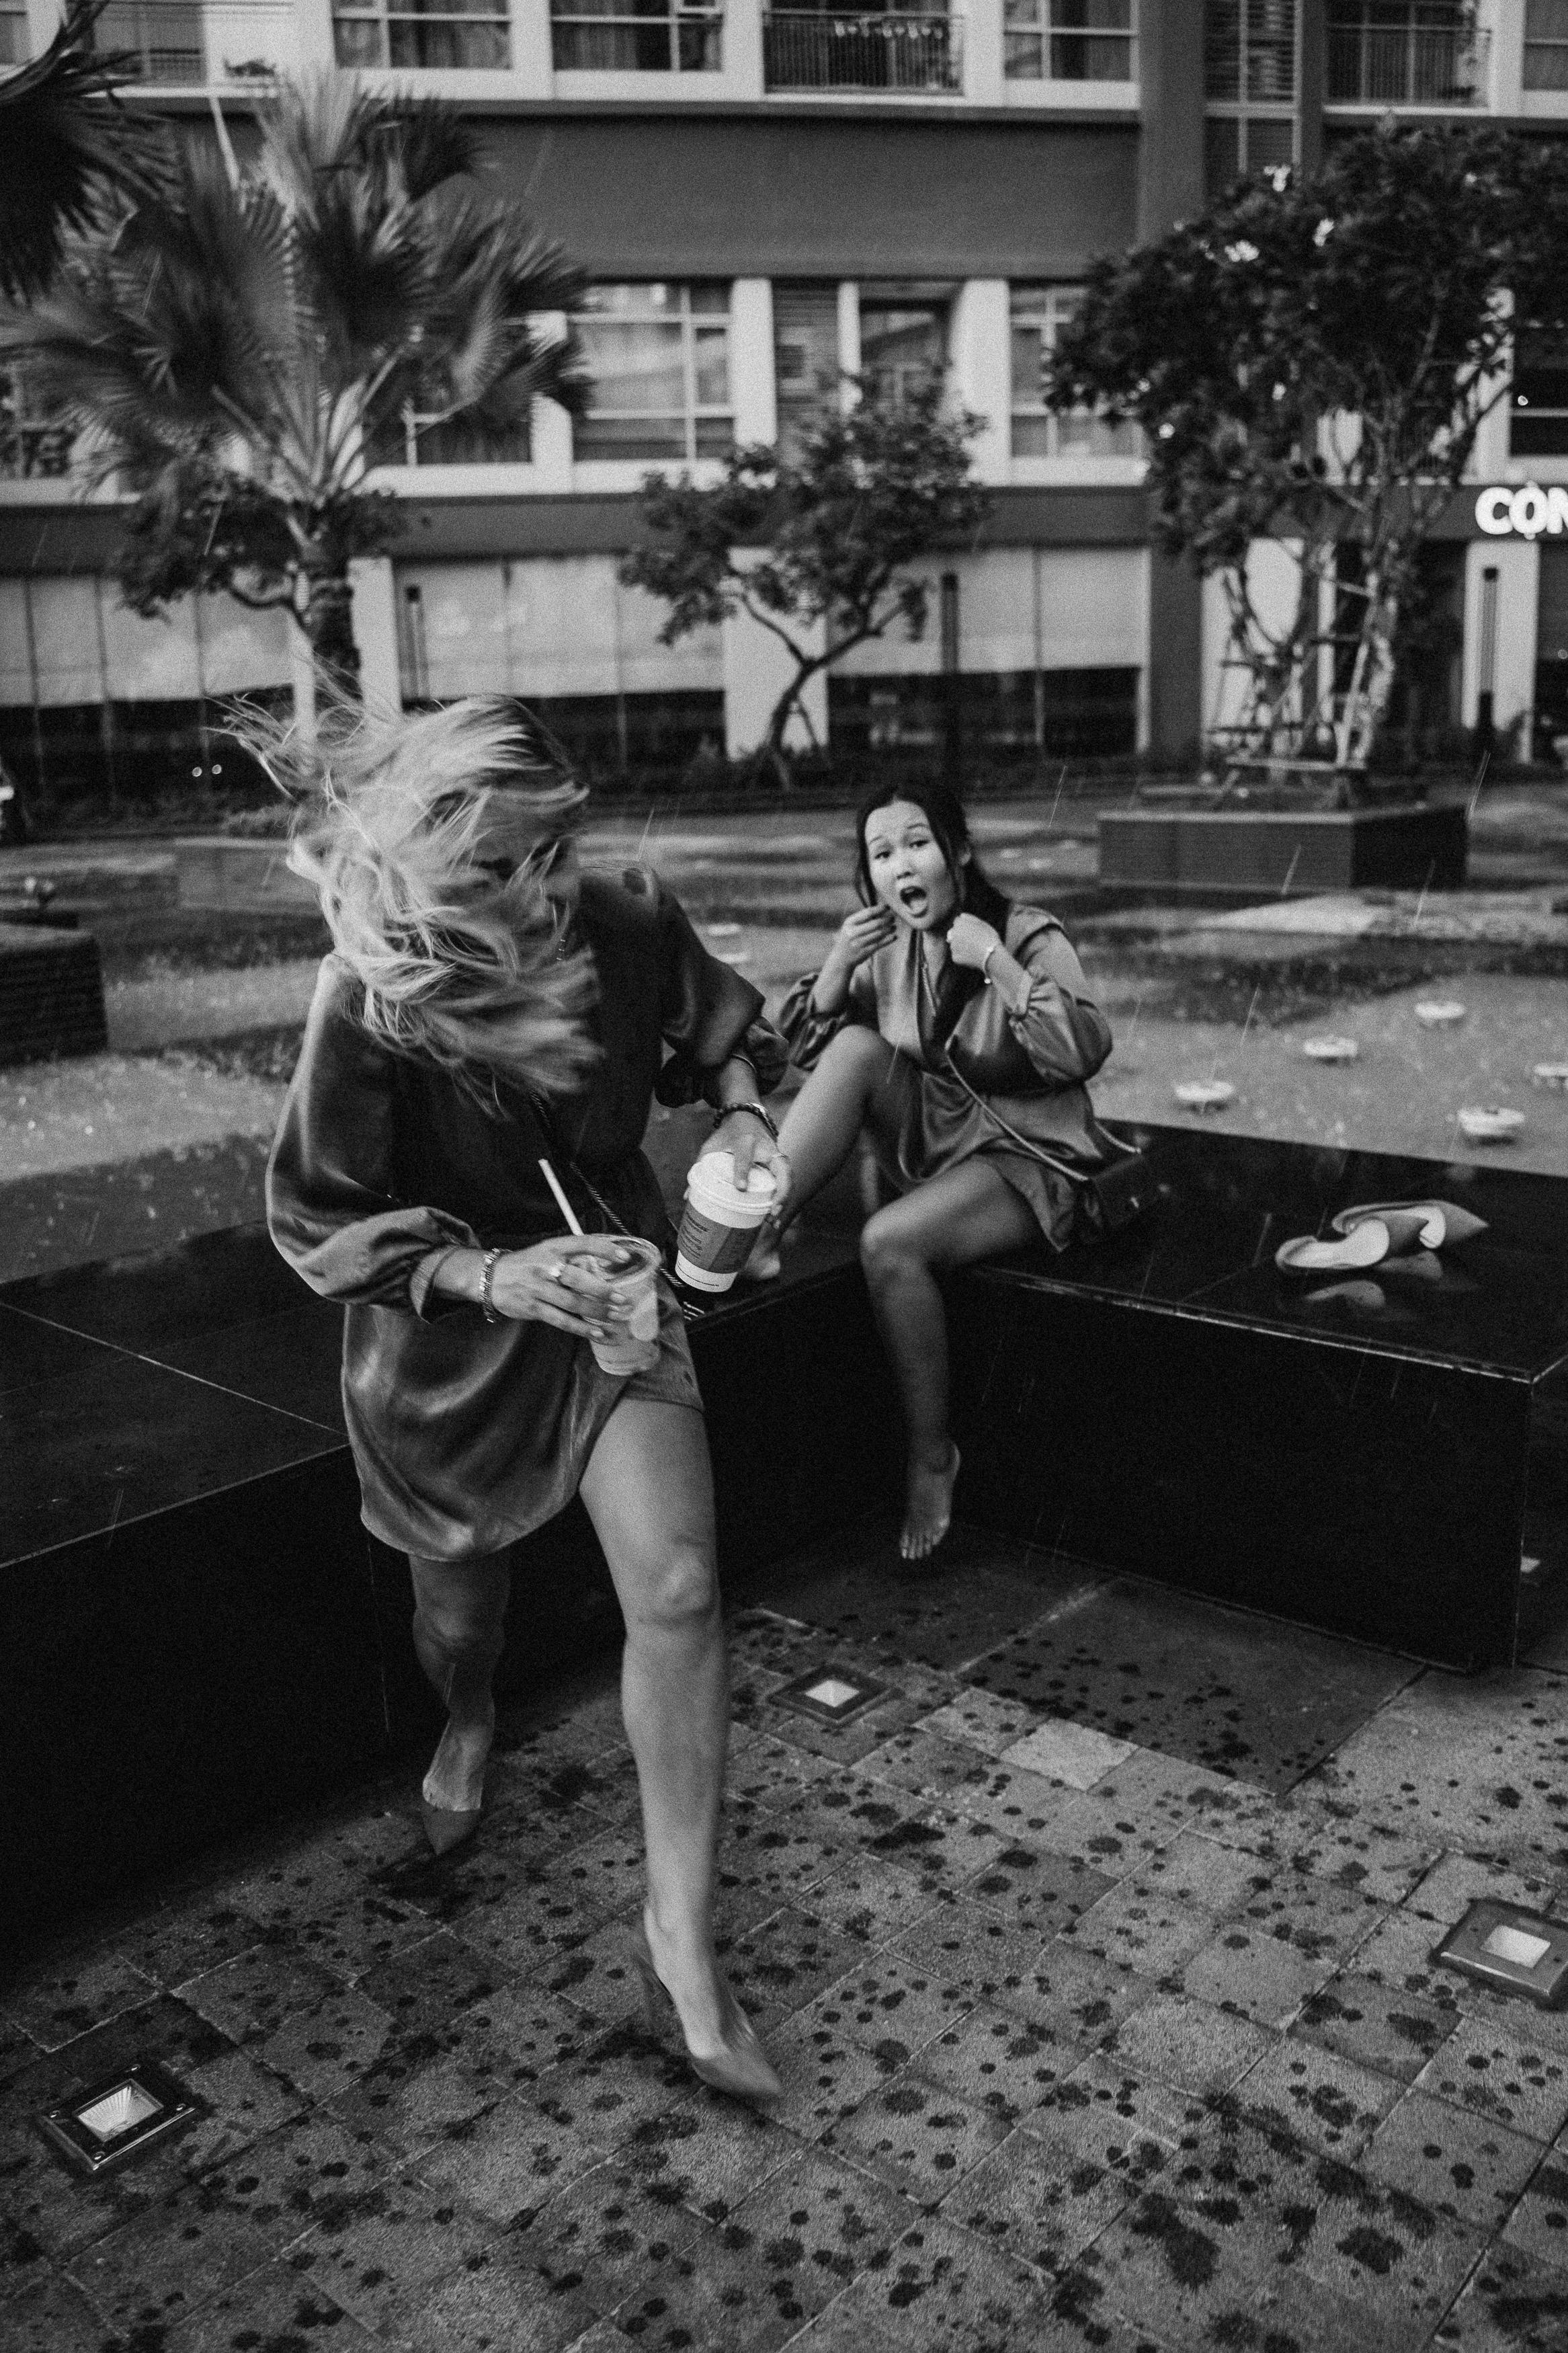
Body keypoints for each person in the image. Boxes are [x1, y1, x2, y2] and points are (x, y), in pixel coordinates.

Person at [265, 696, 790, 2108]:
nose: (542, 892)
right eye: (500, 867)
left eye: (554, 850)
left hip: (614, 1293)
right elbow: (317, 1219)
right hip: (448, 1341)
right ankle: (471, 1708)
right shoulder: (370, 996)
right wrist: (498, 1277)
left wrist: (740, 1106)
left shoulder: (622, 919)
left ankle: (680, 1938)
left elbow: (711, 1031)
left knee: (678, 1586)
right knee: (460, 1617)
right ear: (431, 858)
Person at [757, 782, 1115, 1562]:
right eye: (881, 853)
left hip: (1028, 1154)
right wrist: (830, 973)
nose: (900, 865)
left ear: (956, 850)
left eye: (916, 843)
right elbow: (797, 1059)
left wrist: (994, 962)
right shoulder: (886, 946)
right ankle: (757, 1227)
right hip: (935, 1138)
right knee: (855, 1049)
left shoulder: (1023, 933)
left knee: (888, 1244)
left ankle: (930, 1455)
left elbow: (1083, 1047)